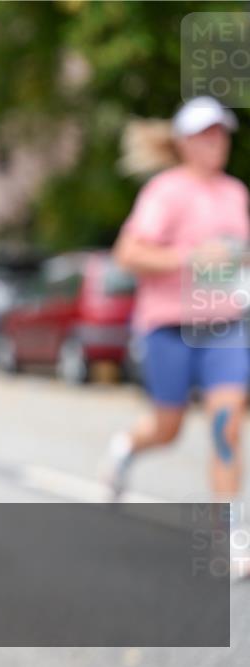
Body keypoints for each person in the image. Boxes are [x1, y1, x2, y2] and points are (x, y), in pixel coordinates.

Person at [103, 97, 248, 579]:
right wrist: (190, 257)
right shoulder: (165, 192)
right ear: (185, 142)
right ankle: (126, 447)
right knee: (168, 428)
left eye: (222, 134)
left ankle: (229, 538)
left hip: (226, 327)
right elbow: (128, 253)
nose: (216, 144)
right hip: (170, 327)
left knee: (227, 426)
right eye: (205, 135)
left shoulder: (235, 193)